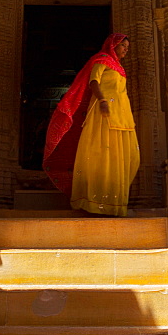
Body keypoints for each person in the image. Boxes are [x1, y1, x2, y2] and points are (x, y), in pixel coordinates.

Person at [43, 33, 139, 217]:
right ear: (113, 45)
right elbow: (93, 81)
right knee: (101, 153)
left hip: (122, 114)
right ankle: (94, 201)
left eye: (127, 47)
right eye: (122, 46)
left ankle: (114, 202)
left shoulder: (119, 68)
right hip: (104, 111)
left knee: (127, 156)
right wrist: (102, 99)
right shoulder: (102, 59)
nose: (126, 49)